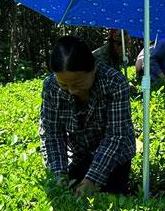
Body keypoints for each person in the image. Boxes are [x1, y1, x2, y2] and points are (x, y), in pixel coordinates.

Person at [39, 36, 136, 196]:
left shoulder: (115, 83)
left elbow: (116, 136)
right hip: (78, 154)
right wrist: (59, 174)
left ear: (94, 68)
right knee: (68, 192)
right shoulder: (50, 87)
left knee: (110, 195)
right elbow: (52, 134)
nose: (71, 90)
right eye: (64, 85)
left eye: (78, 83)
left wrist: (92, 179)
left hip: (115, 155)